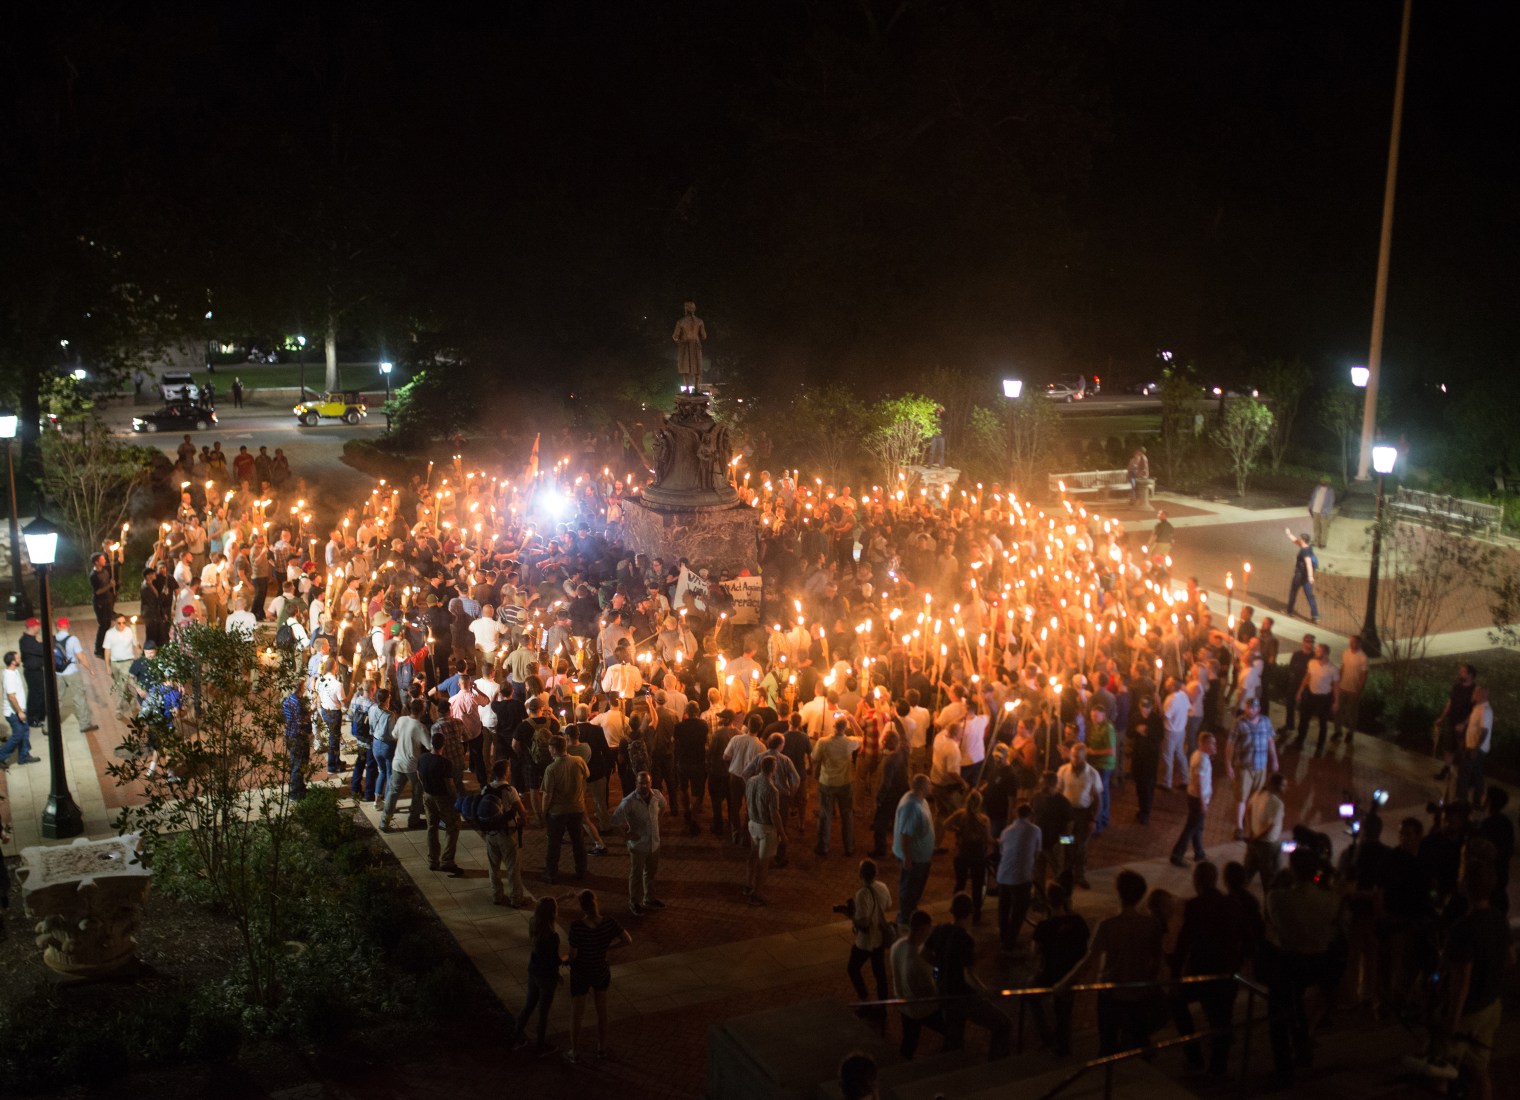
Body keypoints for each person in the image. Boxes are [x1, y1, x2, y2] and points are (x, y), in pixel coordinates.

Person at [1404, 859, 1509, 1097]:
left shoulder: (1464, 929)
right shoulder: (1498, 919)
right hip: (1491, 1006)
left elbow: (1462, 981)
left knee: (1441, 1071)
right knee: (1481, 1071)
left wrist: (1452, 1018)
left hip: (1468, 1012)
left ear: (1466, 886)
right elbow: (1509, 958)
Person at [1054, 869, 1165, 1056]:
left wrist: (1065, 983)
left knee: (1108, 1041)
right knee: (1139, 1037)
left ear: (1118, 892)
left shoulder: (1108, 925)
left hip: (1111, 992)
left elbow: (1088, 960)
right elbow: (1157, 959)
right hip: (1138, 990)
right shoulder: (1151, 924)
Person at [1264, 847, 1341, 1086]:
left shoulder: (1279, 899)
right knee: (1299, 1010)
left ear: (1294, 869)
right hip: (1320, 961)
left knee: (1279, 1014)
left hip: (1292, 961)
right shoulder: (1331, 899)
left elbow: (1273, 922)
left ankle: (1284, 1068)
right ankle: (1304, 1050)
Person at [1169, 862, 1245, 1076]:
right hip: (1227, 972)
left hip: (1203, 972)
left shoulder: (1195, 905)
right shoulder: (1232, 904)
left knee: (1178, 1004)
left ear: (1197, 881)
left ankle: (1194, 1055)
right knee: (1222, 1018)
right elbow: (1245, 940)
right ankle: (1218, 1067)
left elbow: (1184, 942)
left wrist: (1176, 974)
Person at [924, 893, 1012, 1059]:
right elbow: (967, 975)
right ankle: (996, 1063)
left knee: (954, 1034)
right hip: (962, 996)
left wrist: (941, 965)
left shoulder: (940, 929)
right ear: (970, 914)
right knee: (1003, 1024)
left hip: (945, 992)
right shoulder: (965, 939)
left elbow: (924, 953)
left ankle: (952, 1064)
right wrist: (985, 991)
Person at [564, 889, 632, 1064]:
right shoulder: (609, 923)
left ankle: (575, 1051)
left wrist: (566, 959)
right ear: (596, 902)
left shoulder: (577, 927)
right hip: (600, 971)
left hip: (581, 974)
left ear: (582, 907)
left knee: (577, 1013)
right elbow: (627, 940)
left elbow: (573, 956)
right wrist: (609, 948)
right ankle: (601, 1048)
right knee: (602, 1011)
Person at [1030, 884, 1089, 1056]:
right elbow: (1085, 948)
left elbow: (1034, 952)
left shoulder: (1044, 926)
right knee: (1064, 1010)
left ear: (1048, 902)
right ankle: (1063, 1045)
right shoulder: (1078, 922)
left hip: (1050, 974)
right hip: (1072, 973)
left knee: (1031, 994)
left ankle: (1047, 1036)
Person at [512, 896, 566, 1057]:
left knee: (529, 1005)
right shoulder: (552, 936)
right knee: (543, 1013)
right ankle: (540, 1047)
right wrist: (563, 962)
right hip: (546, 978)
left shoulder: (533, 923)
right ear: (553, 914)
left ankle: (515, 1038)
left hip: (533, 971)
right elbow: (552, 961)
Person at [889, 910, 947, 1059]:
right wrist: (937, 970)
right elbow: (931, 991)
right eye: (929, 929)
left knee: (909, 1039)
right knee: (950, 1029)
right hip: (921, 1009)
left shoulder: (897, 946)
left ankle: (904, 1063)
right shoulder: (918, 961)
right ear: (922, 929)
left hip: (903, 1004)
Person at [612, 769, 668, 916]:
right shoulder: (629, 801)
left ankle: (649, 898)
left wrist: (657, 822)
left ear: (651, 783)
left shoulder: (656, 795)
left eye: (647, 783)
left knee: (650, 873)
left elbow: (663, 806)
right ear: (636, 783)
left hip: (654, 843)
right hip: (638, 846)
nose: (644, 786)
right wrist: (626, 836)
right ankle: (634, 902)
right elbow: (615, 819)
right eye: (641, 783)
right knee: (636, 875)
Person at [1225, 697, 1278, 840]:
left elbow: (1270, 742)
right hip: (1244, 766)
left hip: (1261, 766)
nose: (1250, 710)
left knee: (1254, 797)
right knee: (1241, 796)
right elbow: (1230, 744)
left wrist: (1274, 760)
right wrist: (1228, 763)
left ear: (1258, 709)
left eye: (1253, 708)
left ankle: (1249, 823)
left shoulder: (1266, 722)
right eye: (1248, 707)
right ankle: (1239, 827)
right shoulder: (1239, 723)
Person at [480, 758, 530, 908]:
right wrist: (523, 821)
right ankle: (516, 898)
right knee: (512, 867)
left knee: (493, 866)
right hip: (507, 834)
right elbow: (521, 811)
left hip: (491, 833)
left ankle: (497, 895)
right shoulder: (510, 791)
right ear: (506, 773)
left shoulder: (486, 789)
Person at [845, 858, 893, 1010]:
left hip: (866, 941)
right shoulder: (883, 887)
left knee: (853, 968)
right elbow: (888, 905)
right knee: (880, 974)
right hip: (879, 937)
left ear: (861, 875)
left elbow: (864, 922)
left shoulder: (862, 894)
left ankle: (864, 999)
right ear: (875, 873)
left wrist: (851, 916)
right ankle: (882, 1007)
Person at [812, 714, 863, 857]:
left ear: (833, 726)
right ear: (845, 728)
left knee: (825, 815)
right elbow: (861, 736)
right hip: (844, 783)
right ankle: (849, 847)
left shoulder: (823, 742)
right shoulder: (849, 742)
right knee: (846, 815)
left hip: (827, 782)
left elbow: (815, 758)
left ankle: (823, 846)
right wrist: (853, 721)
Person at [542, 734, 589, 885]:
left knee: (554, 844)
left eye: (550, 747)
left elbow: (547, 795)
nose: (549, 750)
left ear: (554, 749)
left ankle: (551, 873)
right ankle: (581, 870)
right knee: (578, 842)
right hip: (577, 808)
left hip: (558, 812)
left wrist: (543, 812)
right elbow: (586, 775)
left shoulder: (551, 769)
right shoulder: (578, 761)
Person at [1055, 744, 1103, 890]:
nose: (1074, 759)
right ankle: (1065, 873)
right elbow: (1058, 792)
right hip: (1067, 817)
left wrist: (1094, 819)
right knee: (1066, 843)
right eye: (1072, 755)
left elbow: (1098, 798)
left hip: (1083, 816)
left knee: (1081, 846)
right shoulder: (1063, 770)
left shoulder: (1092, 774)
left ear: (1084, 757)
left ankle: (1079, 875)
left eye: (1077, 756)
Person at [995, 803, 1041, 951]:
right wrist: (1068, 840)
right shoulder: (1035, 830)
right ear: (1031, 815)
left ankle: (1003, 937)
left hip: (1003, 875)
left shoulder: (1007, 831)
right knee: (1019, 910)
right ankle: (1010, 940)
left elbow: (1002, 851)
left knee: (1003, 907)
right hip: (1022, 877)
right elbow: (1037, 852)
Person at [416, 729, 463, 875]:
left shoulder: (423, 758)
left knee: (432, 827)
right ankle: (447, 860)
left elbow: (419, 776)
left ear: (431, 743)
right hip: (442, 798)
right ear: (444, 745)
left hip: (428, 796)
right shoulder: (445, 763)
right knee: (453, 826)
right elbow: (449, 784)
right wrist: (456, 800)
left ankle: (433, 860)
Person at [942, 789, 992, 924]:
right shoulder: (984, 820)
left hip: (962, 853)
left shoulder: (961, 815)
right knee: (977, 885)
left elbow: (945, 824)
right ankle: (976, 913)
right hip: (978, 856)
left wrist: (957, 830)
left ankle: (956, 908)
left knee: (960, 883)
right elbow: (987, 839)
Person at [381, 697, 430, 832]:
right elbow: (430, 745)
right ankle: (413, 820)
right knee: (417, 791)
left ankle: (384, 821)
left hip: (398, 762)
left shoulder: (402, 720)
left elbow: (394, 735)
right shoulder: (420, 727)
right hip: (412, 766)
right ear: (422, 711)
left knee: (393, 792)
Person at [892, 774, 936, 926]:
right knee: (909, 888)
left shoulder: (919, 800)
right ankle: (905, 918)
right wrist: (907, 858)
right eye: (929, 785)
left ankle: (910, 911)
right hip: (914, 858)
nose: (931, 787)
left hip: (920, 857)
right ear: (922, 788)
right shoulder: (911, 807)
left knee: (914, 888)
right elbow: (905, 835)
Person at [1170, 732, 1215, 867]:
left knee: (1197, 826)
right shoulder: (1202, 759)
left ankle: (1199, 853)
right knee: (1190, 828)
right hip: (1197, 799)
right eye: (1212, 743)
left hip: (1194, 797)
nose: (1214, 745)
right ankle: (1176, 855)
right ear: (1204, 744)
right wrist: (1202, 803)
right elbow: (1198, 782)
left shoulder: (1199, 755)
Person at [744, 754, 783, 906]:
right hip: (766, 829)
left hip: (752, 824)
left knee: (752, 856)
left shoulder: (751, 781)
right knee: (763, 863)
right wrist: (782, 833)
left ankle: (748, 884)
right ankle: (757, 892)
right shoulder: (772, 789)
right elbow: (775, 814)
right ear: (773, 769)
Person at [1292, 642, 1339, 755]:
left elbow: (1336, 686)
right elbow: (1307, 677)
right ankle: (1300, 739)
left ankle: (1320, 746)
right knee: (1304, 719)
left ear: (1326, 653)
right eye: (1316, 650)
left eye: (1319, 651)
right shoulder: (1312, 663)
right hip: (1311, 695)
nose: (1316, 652)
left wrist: (1336, 701)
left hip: (1324, 698)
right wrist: (1300, 691)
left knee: (1323, 723)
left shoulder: (1332, 669)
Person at [52, 617, 97, 732]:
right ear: (68, 626)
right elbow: (81, 656)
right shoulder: (73, 639)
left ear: (58, 627)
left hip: (57, 672)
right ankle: (84, 724)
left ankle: (49, 726)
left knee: (56, 699)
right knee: (79, 697)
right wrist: (89, 669)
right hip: (71, 671)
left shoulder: (52, 638)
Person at [1242, 773, 1286, 888]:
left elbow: (1247, 811)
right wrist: (1256, 838)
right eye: (1283, 785)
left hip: (1254, 843)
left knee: (1246, 874)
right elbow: (1269, 826)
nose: (1286, 788)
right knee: (1270, 880)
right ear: (1276, 786)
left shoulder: (1257, 794)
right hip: (1268, 845)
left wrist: (1251, 830)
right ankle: (1269, 903)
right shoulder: (1277, 803)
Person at [1, 650, 39, 768]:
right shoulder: (9, 677)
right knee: (18, 735)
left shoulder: (14, 671)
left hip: (20, 710)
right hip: (14, 713)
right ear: (12, 662)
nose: (20, 659)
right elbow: (11, 696)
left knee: (24, 732)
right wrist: (19, 711)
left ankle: (23, 756)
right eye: (17, 658)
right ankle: (1, 755)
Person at [1457, 685, 1493, 807]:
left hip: (1477, 748)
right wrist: (1463, 724)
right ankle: (1477, 801)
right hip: (1473, 746)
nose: (1473, 695)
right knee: (1477, 775)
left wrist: (1475, 749)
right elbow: (1471, 718)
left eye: (1475, 693)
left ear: (1483, 695)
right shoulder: (1478, 707)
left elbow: (1485, 731)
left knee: (1465, 773)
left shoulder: (1486, 711)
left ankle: (1462, 800)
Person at [1334, 635, 1368, 743]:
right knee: (1338, 711)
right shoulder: (1346, 653)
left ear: (1358, 643)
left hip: (1353, 690)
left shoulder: (1363, 657)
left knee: (1351, 713)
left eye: (1353, 642)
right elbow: (1342, 667)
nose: (1351, 643)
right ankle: (1338, 731)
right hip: (1343, 687)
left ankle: (1350, 733)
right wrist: (1338, 682)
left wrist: (1359, 690)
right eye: (1350, 641)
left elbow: (1364, 675)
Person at [1284, 530, 1319, 624]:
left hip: (1300, 575)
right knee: (1310, 596)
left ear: (1303, 540)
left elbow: (1308, 564)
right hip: (1306, 577)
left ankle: (1289, 610)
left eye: (1300, 538)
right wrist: (1289, 534)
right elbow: (1295, 541)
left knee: (1293, 592)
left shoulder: (1304, 552)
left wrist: (1311, 576)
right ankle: (1315, 615)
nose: (1299, 539)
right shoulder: (1308, 547)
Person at [1307, 477, 1335, 548]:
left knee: (1324, 528)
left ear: (1328, 482)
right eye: (1322, 480)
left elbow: (1330, 503)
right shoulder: (1317, 488)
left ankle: (1323, 543)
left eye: (1325, 481)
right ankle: (1316, 542)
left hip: (1324, 512)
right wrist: (1310, 506)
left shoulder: (1330, 491)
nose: (1323, 482)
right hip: (1315, 510)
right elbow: (1313, 497)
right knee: (1316, 527)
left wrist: (1326, 512)